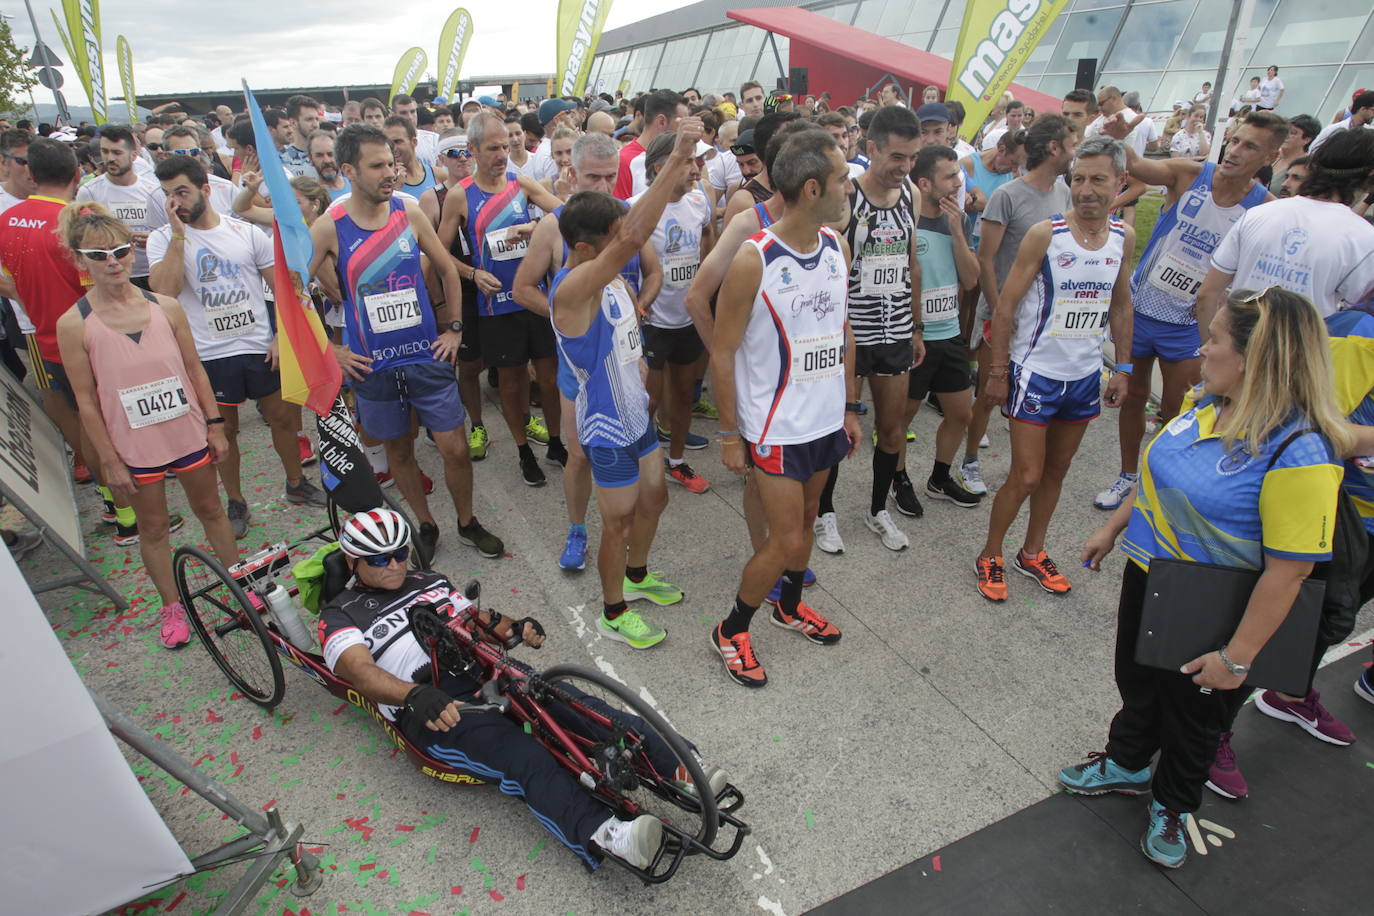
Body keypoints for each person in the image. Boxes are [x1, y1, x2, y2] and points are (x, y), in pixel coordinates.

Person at [1068, 287, 1349, 869]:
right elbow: (1161, 474)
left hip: (1213, 605)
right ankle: (1127, 760)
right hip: (1153, 578)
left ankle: (1174, 802)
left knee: (1195, 716)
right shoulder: (1208, 401)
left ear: (1251, 358)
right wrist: (1118, 526)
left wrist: (1237, 659)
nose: (1202, 347)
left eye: (1214, 339)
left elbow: (1290, 572)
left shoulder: (1300, 451)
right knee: (1139, 680)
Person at [321, 508, 722, 872]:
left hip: (486, 666)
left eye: (400, 554)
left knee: (581, 705)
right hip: (433, 704)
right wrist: (412, 695)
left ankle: (682, 767)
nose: (394, 565)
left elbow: (477, 619)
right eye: (379, 559)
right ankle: (609, 835)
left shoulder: (429, 580)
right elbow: (359, 671)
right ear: (354, 561)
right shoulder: (340, 613)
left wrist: (514, 628)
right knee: (524, 755)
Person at [307, 124, 504, 561]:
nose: (389, 173)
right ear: (348, 170)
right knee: (399, 449)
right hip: (372, 366)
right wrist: (331, 350)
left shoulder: (409, 213)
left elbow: (449, 270)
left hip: (425, 356)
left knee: (454, 447)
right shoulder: (329, 227)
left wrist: (453, 329)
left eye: (391, 163)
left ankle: (467, 521)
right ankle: (425, 524)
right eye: (376, 166)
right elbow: (293, 293)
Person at [710, 128, 859, 687]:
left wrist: (850, 407)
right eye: (844, 179)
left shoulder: (836, 247)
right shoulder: (756, 258)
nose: (851, 186)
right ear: (815, 187)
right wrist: (729, 434)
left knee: (808, 518)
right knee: (789, 540)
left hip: (824, 420)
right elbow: (722, 351)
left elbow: (840, 330)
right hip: (774, 427)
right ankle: (731, 629)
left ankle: (790, 609)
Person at [54, 201, 239, 649]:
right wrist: (109, 460)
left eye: (118, 251)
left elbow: (195, 370)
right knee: (153, 528)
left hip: (186, 430)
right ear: (80, 261)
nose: (112, 262)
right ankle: (173, 606)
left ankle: (240, 584)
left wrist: (215, 425)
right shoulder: (73, 323)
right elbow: (85, 400)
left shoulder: (166, 306)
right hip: (134, 445)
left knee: (211, 509)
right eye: (98, 255)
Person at [549, 123, 705, 650]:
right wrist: (677, 156)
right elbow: (635, 235)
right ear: (590, 247)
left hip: (638, 413)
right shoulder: (573, 288)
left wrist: (636, 360)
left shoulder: (606, 275)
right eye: (615, 239)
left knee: (655, 499)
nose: (628, 241)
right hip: (607, 426)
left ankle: (638, 578)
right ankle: (613, 612)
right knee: (615, 523)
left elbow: (625, 315)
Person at [1093, 110, 1282, 511]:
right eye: (1235, 139)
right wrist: (1123, 136)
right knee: (1133, 396)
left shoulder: (1264, 207)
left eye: (1250, 146)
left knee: (1178, 409)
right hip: (1142, 309)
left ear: (1270, 156)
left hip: (1192, 322)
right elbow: (1140, 166)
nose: (1235, 151)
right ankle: (1128, 476)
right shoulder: (1189, 174)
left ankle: (1158, 479)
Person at [976, 136, 1134, 602]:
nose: (1086, 189)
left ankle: (1033, 551)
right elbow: (1005, 307)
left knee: (1056, 473)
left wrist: (1122, 367)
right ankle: (990, 553)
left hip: (1084, 375)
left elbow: (1122, 307)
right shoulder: (1047, 234)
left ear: (1119, 182)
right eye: (1078, 178)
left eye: (1097, 180)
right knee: (1025, 475)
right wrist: (998, 372)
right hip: (1035, 372)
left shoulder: (1123, 237)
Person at [147, 155, 328, 537]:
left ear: (206, 190)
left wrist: (281, 335)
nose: (174, 202)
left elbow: (283, 287)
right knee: (225, 434)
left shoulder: (244, 232)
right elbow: (164, 291)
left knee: (283, 418)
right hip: (209, 354)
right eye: (167, 195)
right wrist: (179, 234)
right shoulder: (162, 239)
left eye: (182, 192)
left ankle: (296, 483)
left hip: (259, 346)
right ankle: (236, 500)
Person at [513, 132, 660, 572]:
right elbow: (522, 289)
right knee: (579, 454)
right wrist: (566, 322)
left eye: (610, 175)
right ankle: (577, 529)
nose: (601, 184)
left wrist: (640, 306)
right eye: (593, 175)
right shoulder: (556, 225)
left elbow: (654, 273)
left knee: (634, 449)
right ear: (571, 171)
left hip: (625, 354)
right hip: (581, 366)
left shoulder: (625, 218)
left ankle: (628, 549)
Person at [450, 112, 567, 486]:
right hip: (496, 306)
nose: (502, 154)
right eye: (493, 148)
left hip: (534, 298)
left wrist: (534, 226)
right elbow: (436, 253)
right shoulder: (460, 194)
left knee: (549, 379)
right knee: (513, 382)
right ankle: (523, 451)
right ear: (473, 150)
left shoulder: (520, 183)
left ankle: (556, 441)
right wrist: (472, 273)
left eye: (505, 146)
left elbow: (564, 215)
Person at [834, 104, 922, 550]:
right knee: (836, 428)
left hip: (895, 331)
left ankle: (877, 510)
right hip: (851, 334)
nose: (904, 168)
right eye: (896, 158)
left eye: (911, 159)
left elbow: (910, 260)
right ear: (872, 150)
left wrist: (918, 327)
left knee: (891, 429)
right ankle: (824, 512)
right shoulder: (846, 196)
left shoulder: (911, 195)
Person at [1198, 129, 1374, 324]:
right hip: (1299, 351)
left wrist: (1211, 345)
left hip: (1233, 345)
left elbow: (1207, 293)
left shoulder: (1259, 214)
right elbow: (1355, 319)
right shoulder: (1364, 239)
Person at [632, 133, 715, 494]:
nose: (696, 169)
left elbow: (709, 237)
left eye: (697, 161)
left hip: (686, 320)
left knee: (684, 397)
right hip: (651, 322)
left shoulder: (698, 201)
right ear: (659, 168)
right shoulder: (636, 205)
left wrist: (705, 287)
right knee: (646, 401)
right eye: (687, 161)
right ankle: (633, 463)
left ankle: (676, 463)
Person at [902, 145, 981, 509]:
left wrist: (958, 232)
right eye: (949, 176)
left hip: (949, 334)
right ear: (924, 183)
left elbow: (969, 280)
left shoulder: (957, 220)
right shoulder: (906, 220)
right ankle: (898, 479)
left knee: (961, 414)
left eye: (958, 175)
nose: (957, 182)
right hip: (913, 338)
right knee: (899, 422)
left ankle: (939, 477)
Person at [76, 125, 167, 290]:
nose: (110, 158)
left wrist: (154, 239)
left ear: (133, 155)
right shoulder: (89, 192)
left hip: (153, 271)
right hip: (115, 275)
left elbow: (170, 232)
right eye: (105, 152)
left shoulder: (154, 189)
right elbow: (83, 242)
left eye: (117, 153)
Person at [615, 90, 686, 200]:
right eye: (682, 122)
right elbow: (621, 213)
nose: (685, 128)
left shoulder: (684, 157)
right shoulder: (625, 161)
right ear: (661, 121)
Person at [1309, 89, 1374, 153]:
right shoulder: (1334, 129)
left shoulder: (1371, 132)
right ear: (1363, 109)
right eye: (1373, 110)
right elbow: (1313, 149)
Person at [281, 95, 321, 178]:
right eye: (309, 119)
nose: (315, 125)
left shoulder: (329, 154)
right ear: (293, 123)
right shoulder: (281, 159)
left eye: (317, 119)